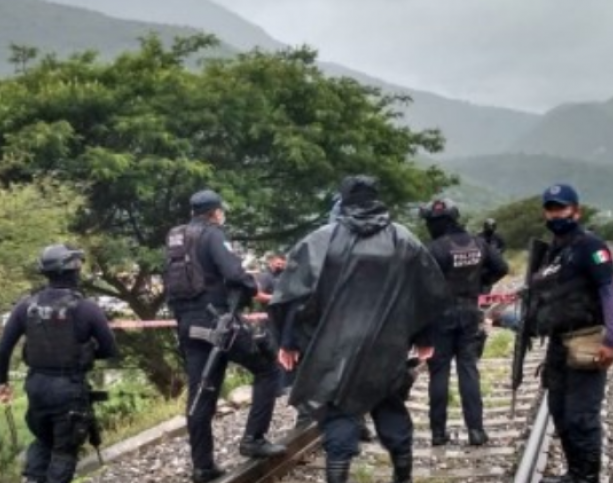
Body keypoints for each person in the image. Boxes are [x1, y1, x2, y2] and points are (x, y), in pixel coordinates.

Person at [271, 175, 450, 483]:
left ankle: (338, 475)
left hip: (335, 346)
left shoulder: (322, 240)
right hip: (387, 344)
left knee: (339, 411)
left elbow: (295, 295)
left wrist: (288, 341)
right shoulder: (403, 239)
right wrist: (424, 337)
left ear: (344, 200)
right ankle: (403, 475)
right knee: (389, 402)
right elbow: (427, 290)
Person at [164, 189, 286, 483]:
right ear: (214, 211)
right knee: (268, 368)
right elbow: (233, 273)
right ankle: (254, 438)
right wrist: (251, 287)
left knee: (202, 391)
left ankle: (203, 466)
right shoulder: (213, 234)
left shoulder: (177, 237)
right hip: (218, 320)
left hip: (187, 325)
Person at [0, 244, 118, 483]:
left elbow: (3, 349)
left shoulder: (25, 306)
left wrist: (2, 382)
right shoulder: (87, 308)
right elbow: (110, 349)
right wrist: (86, 353)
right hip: (69, 389)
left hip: (36, 386)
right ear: (73, 270)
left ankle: (32, 479)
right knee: (64, 451)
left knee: (43, 440)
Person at [535, 184, 613, 483]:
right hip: (558, 342)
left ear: (576, 211)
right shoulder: (554, 250)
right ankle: (574, 473)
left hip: (586, 340)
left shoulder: (591, 246)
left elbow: (609, 291)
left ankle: (587, 478)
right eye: (551, 208)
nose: (556, 213)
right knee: (558, 410)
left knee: (581, 417)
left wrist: (611, 340)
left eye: (562, 207)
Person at [419, 199, 509, 446]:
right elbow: (502, 266)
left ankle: (438, 433)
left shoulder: (434, 248)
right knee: (468, 370)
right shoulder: (478, 243)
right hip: (470, 311)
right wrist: (480, 283)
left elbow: (420, 285)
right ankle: (476, 431)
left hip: (440, 316)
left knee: (439, 373)